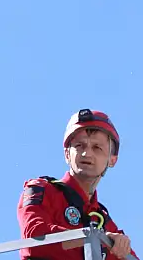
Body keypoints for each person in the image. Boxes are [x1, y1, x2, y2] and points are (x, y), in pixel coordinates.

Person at [18, 110, 134, 259]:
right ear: (67, 153)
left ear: (112, 160)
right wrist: (94, 240)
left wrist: (120, 244)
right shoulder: (42, 190)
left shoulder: (102, 219)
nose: (87, 154)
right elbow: (34, 236)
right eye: (80, 146)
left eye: (97, 148)